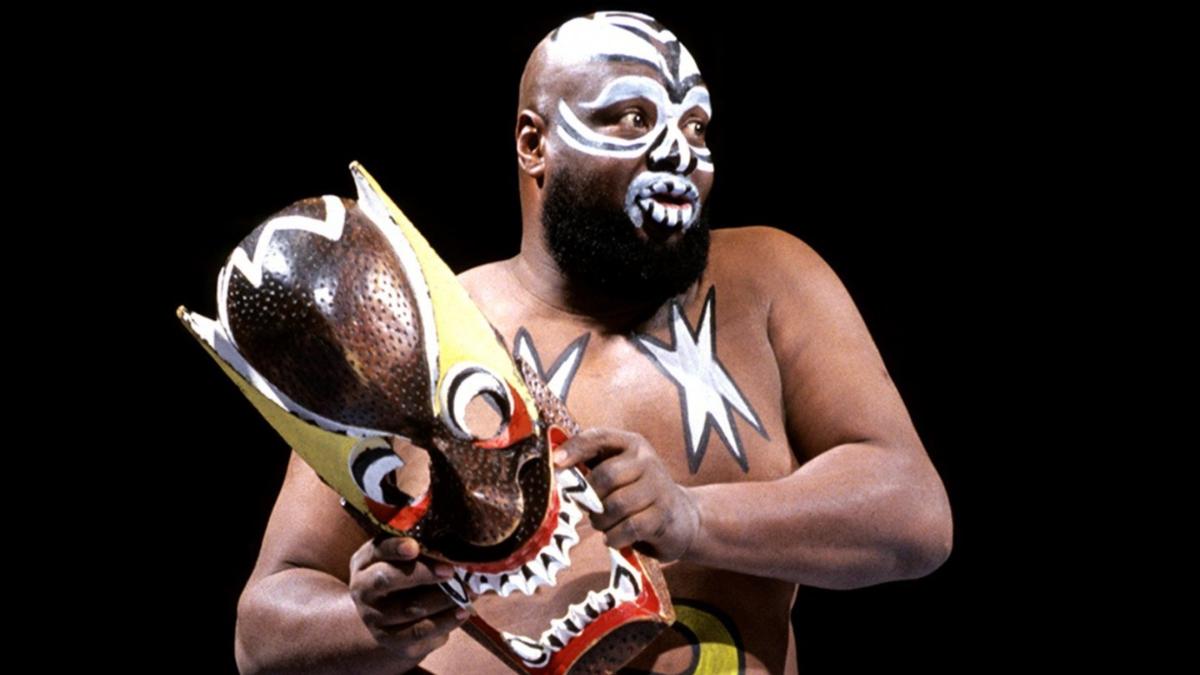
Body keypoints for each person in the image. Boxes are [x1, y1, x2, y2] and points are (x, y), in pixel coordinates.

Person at [233, 11, 952, 674]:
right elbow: (261, 631)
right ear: (533, 141)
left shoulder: (767, 280)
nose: (681, 155)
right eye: (633, 118)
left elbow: (913, 514)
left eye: (698, 127)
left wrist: (695, 518)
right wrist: (371, 622)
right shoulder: (418, 326)